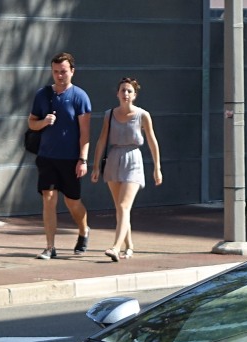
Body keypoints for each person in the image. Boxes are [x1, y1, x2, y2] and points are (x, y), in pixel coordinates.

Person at [91, 77, 163, 261]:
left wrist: (157, 168)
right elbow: (101, 140)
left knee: (124, 206)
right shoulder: (109, 114)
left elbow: (152, 141)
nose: (125, 94)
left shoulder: (143, 115)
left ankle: (115, 247)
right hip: (114, 158)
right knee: (120, 208)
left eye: (129, 91)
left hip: (133, 159)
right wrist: (96, 166)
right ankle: (129, 246)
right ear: (117, 93)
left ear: (135, 95)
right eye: (123, 90)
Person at [28, 52, 92, 259]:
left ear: (72, 71)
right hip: (47, 157)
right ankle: (50, 247)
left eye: (63, 72)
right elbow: (31, 123)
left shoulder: (80, 97)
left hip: (70, 158)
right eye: (55, 72)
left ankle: (84, 230)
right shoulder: (42, 95)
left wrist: (83, 159)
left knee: (72, 202)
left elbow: (85, 133)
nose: (59, 76)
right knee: (48, 198)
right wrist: (43, 122)